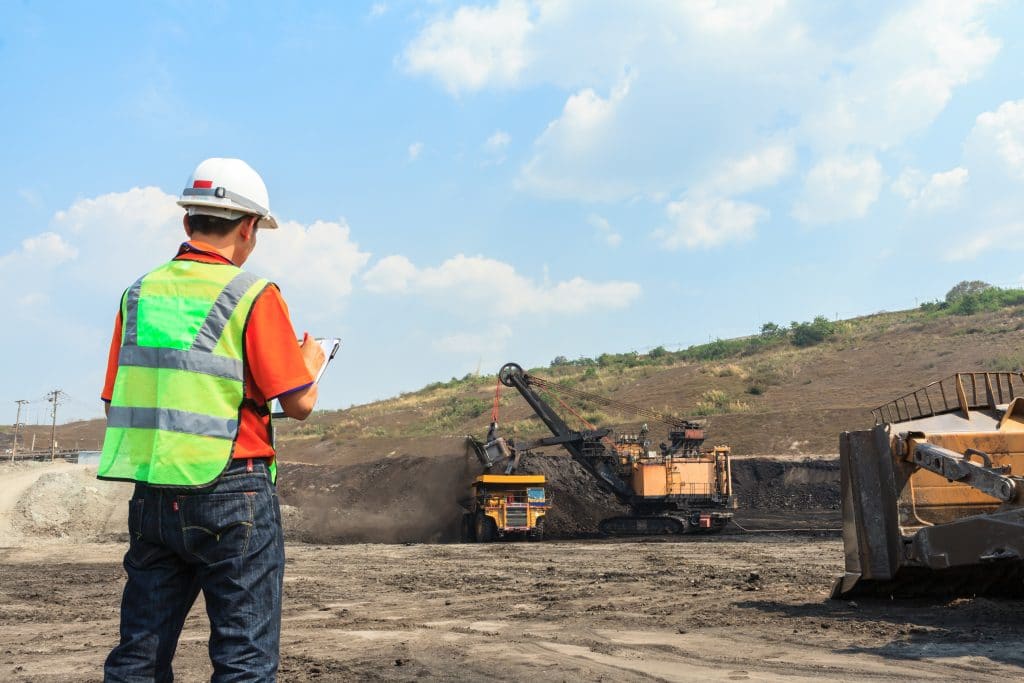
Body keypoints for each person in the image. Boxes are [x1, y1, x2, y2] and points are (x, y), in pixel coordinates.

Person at [98, 157, 326, 681]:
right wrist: (309, 366)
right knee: (243, 659)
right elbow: (298, 403)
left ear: (188, 223)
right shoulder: (253, 295)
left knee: (138, 657)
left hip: (155, 493)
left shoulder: (138, 295)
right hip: (234, 495)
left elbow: (116, 401)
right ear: (248, 227)